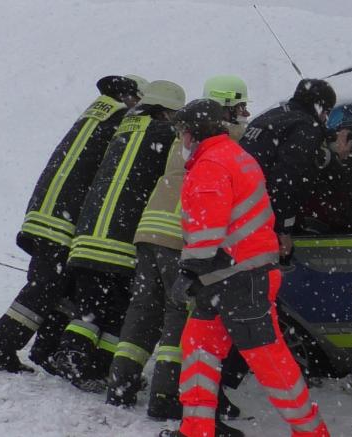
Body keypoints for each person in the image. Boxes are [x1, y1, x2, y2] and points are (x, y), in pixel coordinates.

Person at [161, 99, 329, 437]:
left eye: (182, 133)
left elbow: (208, 231)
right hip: (233, 275)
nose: (182, 141)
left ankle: (312, 432)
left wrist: (188, 273)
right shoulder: (234, 155)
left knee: (267, 358)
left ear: (193, 134)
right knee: (199, 348)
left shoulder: (211, 163)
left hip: (238, 279)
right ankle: (195, 430)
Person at [105, 75, 251, 422]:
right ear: (225, 109)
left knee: (143, 309)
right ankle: (165, 396)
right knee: (178, 315)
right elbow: (242, 143)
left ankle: (120, 386)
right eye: (241, 107)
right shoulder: (221, 139)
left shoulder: (182, 136)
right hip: (178, 236)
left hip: (149, 231)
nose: (246, 114)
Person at [0, 75, 143, 374]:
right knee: (45, 287)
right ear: (131, 95)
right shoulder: (119, 119)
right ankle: (0, 348)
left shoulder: (98, 113)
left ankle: (47, 348)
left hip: (49, 211)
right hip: (63, 219)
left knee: (60, 285)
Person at [49, 80, 186, 392]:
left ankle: (80, 358)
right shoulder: (165, 135)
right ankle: (88, 364)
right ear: (167, 112)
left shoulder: (124, 127)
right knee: (117, 309)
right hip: (120, 240)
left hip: (88, 232)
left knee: (90, 302)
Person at [239, 78, 337, 259]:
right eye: (327, 113)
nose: (325, 119)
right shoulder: (305, 128)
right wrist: (283, 230)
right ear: (320, 107)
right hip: (258, 221)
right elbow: (287, 182)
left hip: (237, 211)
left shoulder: (268, 117)